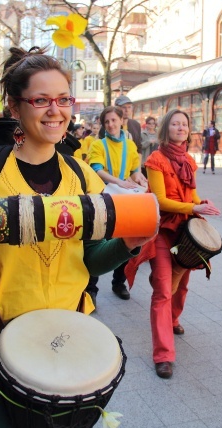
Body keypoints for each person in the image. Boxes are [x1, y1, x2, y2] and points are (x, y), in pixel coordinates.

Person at [0, 46, 151, 428]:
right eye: (41, 100)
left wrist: (128, 244)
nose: (56, 110)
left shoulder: (84, 178)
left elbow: (93, 260)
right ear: (15, 107)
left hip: (68, 338)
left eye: (64, 99)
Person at [125, 109, 220, 379]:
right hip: (164, 231)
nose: (180, 127)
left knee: (183, 283)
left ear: (189, 130)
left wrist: (202, 203)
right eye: (175, 123)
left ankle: (173, 319)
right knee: (163, 290)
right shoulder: (155, 159)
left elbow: (191, 192)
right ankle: (163, 355)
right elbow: (161, 200)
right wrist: (193, 207)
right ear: (166, 129)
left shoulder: (189, 159)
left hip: (186, 232)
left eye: (184, 124)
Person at [87, 105, 148, 302]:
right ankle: (91, 291)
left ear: (122, 120)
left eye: (113, 120)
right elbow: (96, 169)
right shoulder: (98, 145)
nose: (110, 125)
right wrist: (118, 181)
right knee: (97, 240)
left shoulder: (130, 146)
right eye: (107, 122)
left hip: (123, 199)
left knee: (125, 239)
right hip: (102, 199)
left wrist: (140, 180)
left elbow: (134, 171)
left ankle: (118, 282)